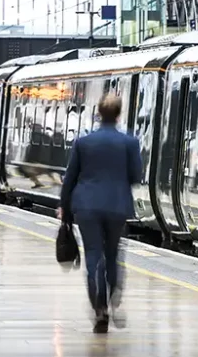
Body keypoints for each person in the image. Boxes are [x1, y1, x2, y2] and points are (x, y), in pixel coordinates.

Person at [59, 95, 142, 334]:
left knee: (93, 255)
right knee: (113, 255)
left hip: (87, 207)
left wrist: (65, 208)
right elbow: (136, 176)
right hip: (117, 206)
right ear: (118, 115)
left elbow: (70, 178)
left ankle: (99, 309)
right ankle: (114, 296)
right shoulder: (129, 143)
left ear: (98, 113)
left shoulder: (83, 142)